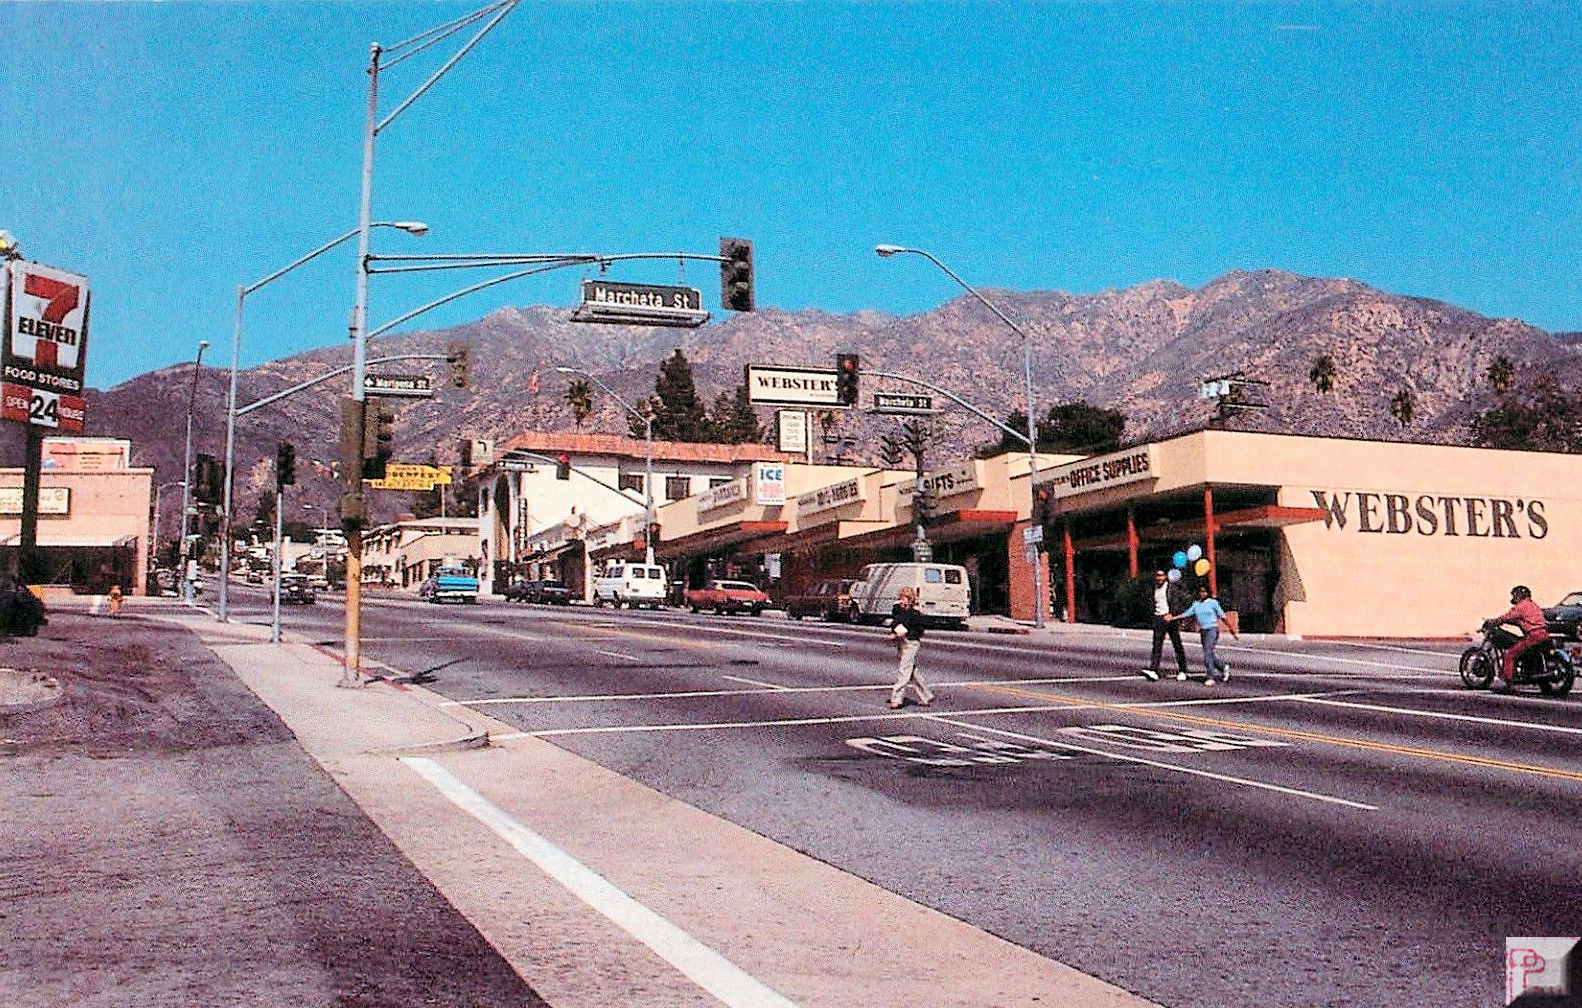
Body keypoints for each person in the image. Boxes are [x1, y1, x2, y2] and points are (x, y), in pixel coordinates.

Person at [1171, 584, 1239, 684]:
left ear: (1208, 593)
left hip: (1212, 629)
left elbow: (1223, 616)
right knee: (1209, 653)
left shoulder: (1213, 603)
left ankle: (1210, 677)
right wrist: (1173, 618)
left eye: (1204, 592)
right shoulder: (1196, 604)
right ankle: (1223, 666)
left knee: (1207, 653)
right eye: (1201, 592)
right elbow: (1187, 613)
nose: (1202, 594)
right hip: (1203, 630)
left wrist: (1232, 631)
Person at [1490, 585, 1548, 693]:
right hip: (1543, 633)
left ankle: (1508, 683)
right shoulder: (1533, 605)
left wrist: (1494, 621)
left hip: (1533, 635)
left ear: (1519, 595)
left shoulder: (1520, 606)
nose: (1514, 597)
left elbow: (1508, 616)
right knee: (1525, 652)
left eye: (1515, 595)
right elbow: (1521, 619)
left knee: (1509, 654)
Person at [886, 586, 934, 709]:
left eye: (905, 598)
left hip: (911, 643)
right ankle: (926, 695)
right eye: (901, 597)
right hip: (901, 642)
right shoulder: (897, 609)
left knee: (904, 670)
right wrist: (894, 633)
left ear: (910, 599)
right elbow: (895, 623)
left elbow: (919, 630)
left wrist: (903, 632)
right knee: (910, 670)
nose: (902, 600)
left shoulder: (915, 614)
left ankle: (896, 698)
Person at [1141, 569, 1190, 681]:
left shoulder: (1171, 588)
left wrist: (1172, 614)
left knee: (1177, 644)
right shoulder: (1154, 589)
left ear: (1165, 577)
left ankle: (1183, 670)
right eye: (1157, 576)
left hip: (1170, 618)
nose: (1159, 578)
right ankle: (1154, 669)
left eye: (1161, 576)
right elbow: (1152, 603)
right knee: (1157, 645)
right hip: (1158, 618)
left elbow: (1177, 602)